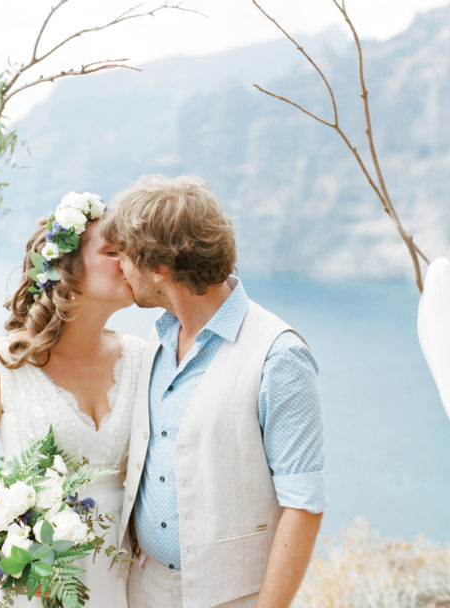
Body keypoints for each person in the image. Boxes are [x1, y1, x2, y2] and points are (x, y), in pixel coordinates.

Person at [100, 175, 327, 608]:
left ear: (159, 269)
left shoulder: (280, 357)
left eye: (124, 257)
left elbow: (305, 505)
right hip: (141, 586)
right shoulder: (159, 338)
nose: (120, 269)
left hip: (232, 598)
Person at [0, 191, 146, 607]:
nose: (129, 261)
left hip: (121, 575)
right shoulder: (5, 367)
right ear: (67, 271)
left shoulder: (142, 358)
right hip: (38, 582)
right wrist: (5, 535)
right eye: (111, 251)